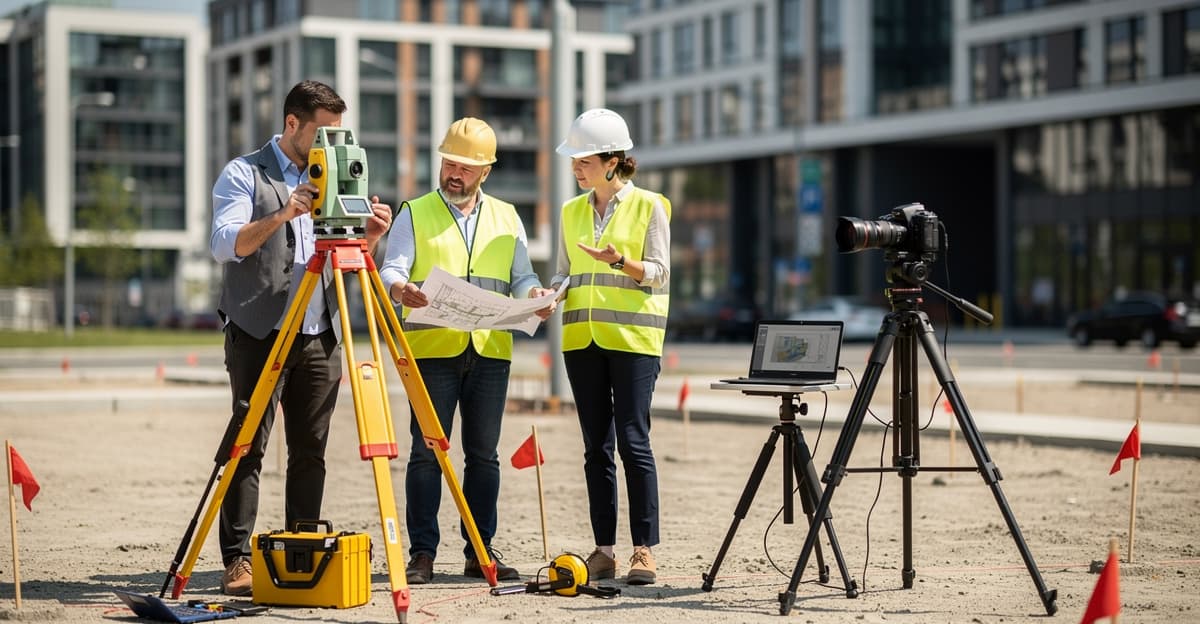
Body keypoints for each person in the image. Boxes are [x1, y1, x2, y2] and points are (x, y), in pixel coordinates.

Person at [209, 80, 393, 596]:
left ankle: (300, 547)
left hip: (321, 331)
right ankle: (237, 560)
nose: (332, 146)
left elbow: (345, 255)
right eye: (322, 134)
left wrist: (371, 238)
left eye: (339, 134)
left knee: (310, 449)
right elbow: (225, 245)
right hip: (258, 329)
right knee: (247, 447)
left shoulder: (336, 173)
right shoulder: (245, 172)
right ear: (292, 125)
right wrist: (284, 212)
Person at [379, 117, 555, 584]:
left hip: (491, 351)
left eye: (465, 167)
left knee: (484, 455)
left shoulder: (507, 216)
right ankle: (422, 553)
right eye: (449, 163)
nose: (454, 173)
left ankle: (481, 551)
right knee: (426, 453)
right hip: (431, 349)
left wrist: (536, 295)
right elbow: (389, 269)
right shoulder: (413, 213)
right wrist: (402, 290)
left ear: (485, 172)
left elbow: (522, 277)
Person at [550, 108, 671, 585]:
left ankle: (644, 550)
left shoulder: (650, 206)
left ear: (613, 160)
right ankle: (604, 550)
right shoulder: (570, 211)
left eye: (583, 159)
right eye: (574, 159)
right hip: (582, 342)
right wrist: (550, 293)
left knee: (633, 442)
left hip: (635, 340)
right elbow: (564, 272)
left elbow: (659, 272)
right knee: (594, 448)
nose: (576, 168)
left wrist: (622, 261)